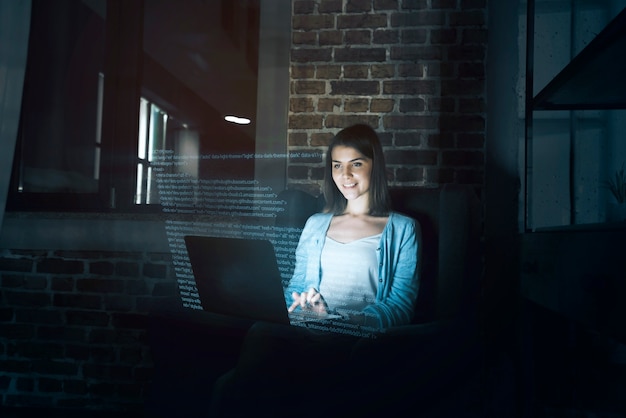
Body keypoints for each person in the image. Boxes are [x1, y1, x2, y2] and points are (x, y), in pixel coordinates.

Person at [284, 123, 420, 330]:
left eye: (356, 164)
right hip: (310, 333)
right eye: (337, 165)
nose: (345, 174)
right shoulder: (315, 224)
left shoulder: (403, 229)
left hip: (363, 343)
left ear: (374, 166)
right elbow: (294, 288)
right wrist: (302, 309)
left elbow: (400, 307)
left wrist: (340, 321)